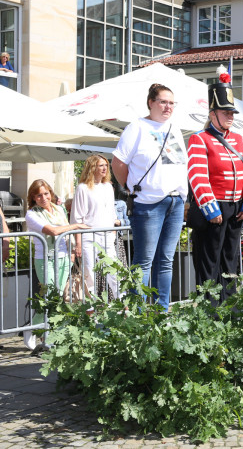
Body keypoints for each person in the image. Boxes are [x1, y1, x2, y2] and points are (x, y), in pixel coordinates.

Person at [112, 83, 188, 311]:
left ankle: (161, 311)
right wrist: (130, 187)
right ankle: (136, 312)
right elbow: (118, 163)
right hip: (148, 203)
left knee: (166, 260)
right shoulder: (137, 127)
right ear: (150, 103)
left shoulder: (174, 128)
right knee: (144, 261)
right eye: (163, 102)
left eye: (172, 103)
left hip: (175, 200)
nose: (168, 107)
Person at [187, 82, 243, 303]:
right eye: (226, 112)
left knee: (230, 260)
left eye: (232, 112)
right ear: (213, 114)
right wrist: (210, 207)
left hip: (235, 208)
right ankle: (210, 309)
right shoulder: (200, 138)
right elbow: (197, 175)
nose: (230, 116)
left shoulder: (239, 139)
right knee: (209, 262)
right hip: (214, 209)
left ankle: (231, 306)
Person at [25, 179, 89, 349]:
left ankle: (50, 335)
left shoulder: (59, 209)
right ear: (33, 197)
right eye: (39, 195)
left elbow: (65, 232)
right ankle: (34, 330)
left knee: (58, 296)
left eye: (46, 193)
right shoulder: (31, 214)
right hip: (45, 257)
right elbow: (52, 231)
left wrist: (74, 250)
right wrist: (75, 225)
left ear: (51, 193)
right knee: (51, 297)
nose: (43, 198)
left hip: (64, 256)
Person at [71, 155, 119, 298]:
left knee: (114, 271)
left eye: (106, 165)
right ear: (92, 168)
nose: (104, 168)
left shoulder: (108, 187)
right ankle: (90, 307)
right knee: (89, 273)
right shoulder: (83, 188)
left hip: (106, 235)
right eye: (100, 165)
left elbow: (111, 212)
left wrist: (113, 233)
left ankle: (122, 302)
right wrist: (78, 242)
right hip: (88, 236)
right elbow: (77, 217)